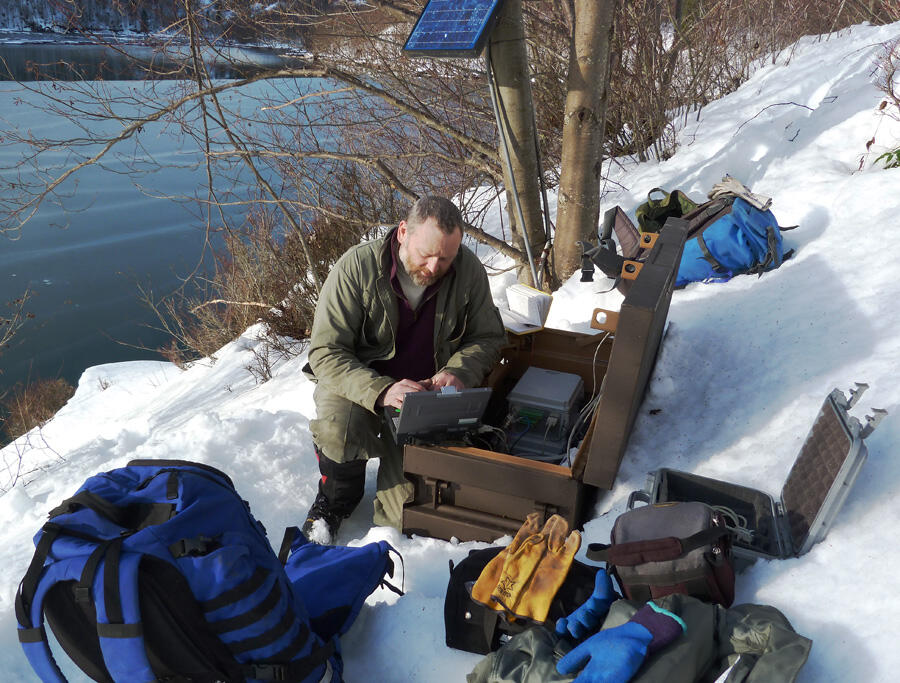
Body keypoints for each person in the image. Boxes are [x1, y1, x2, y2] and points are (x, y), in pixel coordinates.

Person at [301, 196, 507, 543]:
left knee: (401, 519)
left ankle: (390, 508)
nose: (432, 266)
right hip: (360, 388)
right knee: (340, 428)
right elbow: (325, 352)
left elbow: (487, 337)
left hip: (424, 399)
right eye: (425, 254)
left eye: (445, 257)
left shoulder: (467, 271)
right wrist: (381, 390)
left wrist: (458, 372)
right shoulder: (357, 267)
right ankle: (336, 497)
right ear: (402, 233)